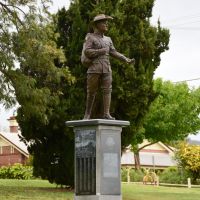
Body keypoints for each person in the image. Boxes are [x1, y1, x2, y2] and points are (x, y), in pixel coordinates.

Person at [82, 14, 135, 120]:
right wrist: (100, 51)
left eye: (107, 22)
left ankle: (106, 113)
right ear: (97, 25)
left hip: (106, 68)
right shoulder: (90, 37)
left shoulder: (108, 39)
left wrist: (125, 59)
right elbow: (87, 51)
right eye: (104, 22)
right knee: (91, 92)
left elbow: (113, 52)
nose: (106, 24)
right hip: (94, 67)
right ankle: (87, 114)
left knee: (107, 90)